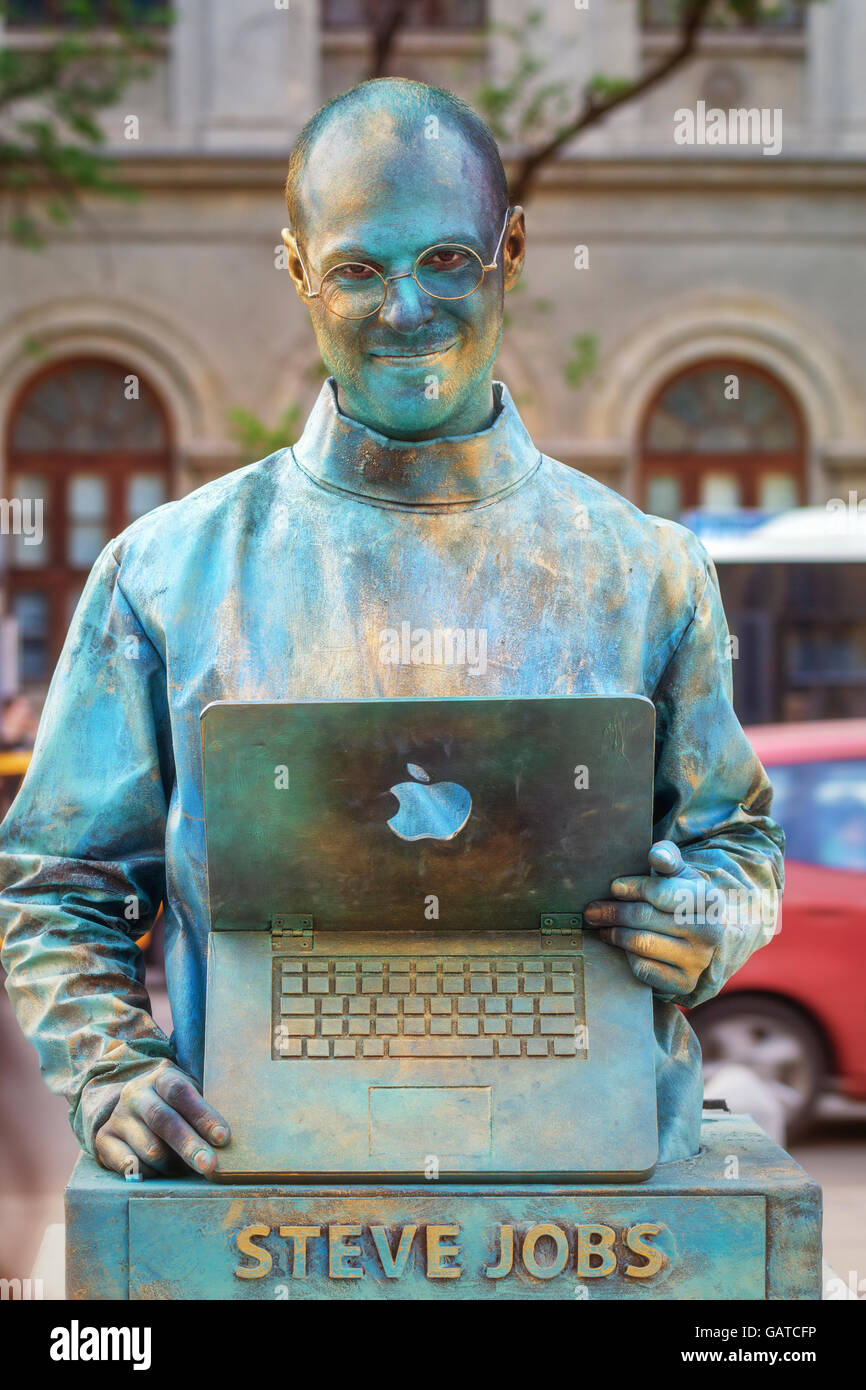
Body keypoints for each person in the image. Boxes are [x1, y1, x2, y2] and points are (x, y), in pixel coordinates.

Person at [0, 77, 784, 1179]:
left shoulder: (645, 569)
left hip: (588, 1160)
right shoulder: (166, 572)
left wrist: (705, 915)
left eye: (445, 262)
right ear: (296, 274)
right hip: (255, 1151)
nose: (404, 309)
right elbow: (58, 875)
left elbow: (735, 844)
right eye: (357, 271)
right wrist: (107, 1067)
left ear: (509, 251)